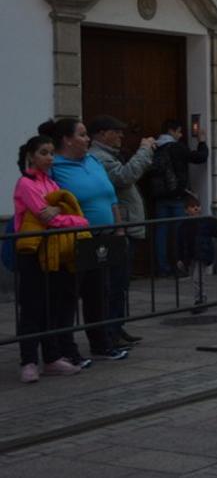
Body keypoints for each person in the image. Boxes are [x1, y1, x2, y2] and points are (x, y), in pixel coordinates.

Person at [42, 117, 130, 362]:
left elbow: (111, 197)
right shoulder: (54, 166)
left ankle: (101, 343)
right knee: (68, 296)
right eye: (81, 135)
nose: (87, 139)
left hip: (103, 238)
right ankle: (66, 348)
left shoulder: (93, 160)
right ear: (67, 140)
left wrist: (119, 229)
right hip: (75, 240)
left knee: (99, 293)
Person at [13, 135, 87, 382]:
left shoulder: (52, 184)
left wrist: (63, 212)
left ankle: (52, 357)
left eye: (51, 153)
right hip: (33, 251)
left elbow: (71, 212)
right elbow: (48, 218)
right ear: (31, 156)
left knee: (51, 306)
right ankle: (29, 361)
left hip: (54, 251)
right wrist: (65, 215)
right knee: (32, 307)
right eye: (43, 153)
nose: (49, 158)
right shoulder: (26, 183)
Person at [87, 115, 154, 347]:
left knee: (121, 282)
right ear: (103, 133)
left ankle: (117, 325)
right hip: (117, 228)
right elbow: (125, 177)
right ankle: (110, 330)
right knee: (113, 283)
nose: (121, 136)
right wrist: (145, 150)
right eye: (117, 132)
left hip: (124, 225)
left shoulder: (107, 156)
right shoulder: (99, 158)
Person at [149, 119, 208, 277]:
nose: (181, 135)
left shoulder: (154, 146)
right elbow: (200, 157)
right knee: (179, 233)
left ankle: (162, 267)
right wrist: (202, 142)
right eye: (179, 131)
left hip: (160, 197)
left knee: (161, 233)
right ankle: (179, 266)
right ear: (172, 131)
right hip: (176, 196)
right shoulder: (176, 147)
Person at [177, 192, 217, 311]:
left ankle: (201, 300)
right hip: (191, 256)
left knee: (198, 278)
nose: (196, 208)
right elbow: (181, 243)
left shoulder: (205, 221)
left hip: (203, 254)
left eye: (197, 206)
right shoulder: (184, 225)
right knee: (195, 278)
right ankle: (199, 298)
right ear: (186, 210)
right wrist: (180, 258)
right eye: (192, 207)